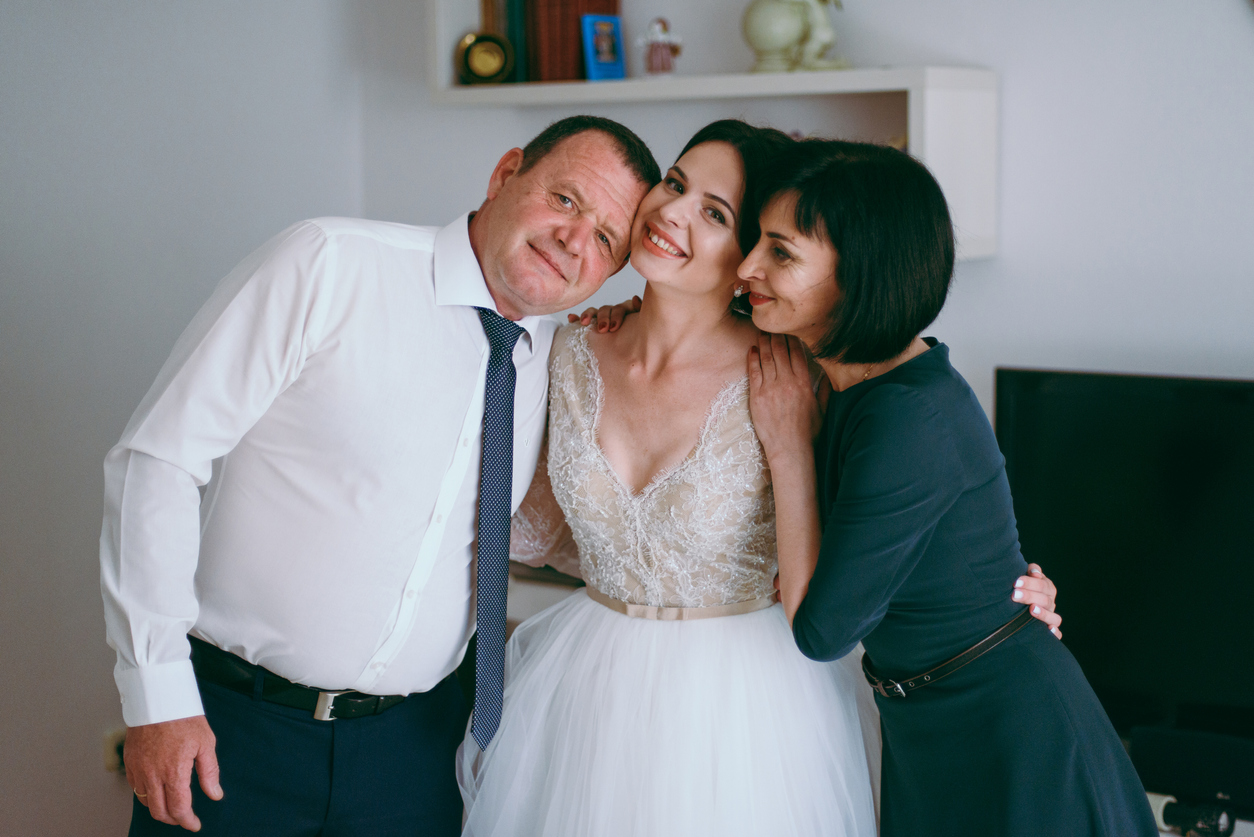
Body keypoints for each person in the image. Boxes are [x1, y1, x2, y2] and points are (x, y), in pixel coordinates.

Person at [456, 121, 1061, 836]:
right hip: (586, 686)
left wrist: (1003, 595)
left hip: (748, 713)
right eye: (674, 184)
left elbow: (896, 518)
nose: (672, 212)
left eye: (714, 213)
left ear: (750, 254)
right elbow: (540, 529)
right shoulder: (569, 344)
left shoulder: (798, 377)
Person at [99, 115, 657, 835]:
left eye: (606, 239)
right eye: (566, 200)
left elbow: (542, 527)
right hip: (238, 731)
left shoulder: (566, 362)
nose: (573, 240)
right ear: (506, 173)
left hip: (420, 754)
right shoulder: (329, 265)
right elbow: (158, 460)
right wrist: (157, 695)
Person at [743, 139, 1158, 836]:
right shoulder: (851, 380)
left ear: (861, 275)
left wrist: (787, 446)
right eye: (757, 239)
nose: (748, 266)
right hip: (931, 721)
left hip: (1015, 734)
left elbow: (822, 630)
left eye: (781, 252)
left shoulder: (908, 416)